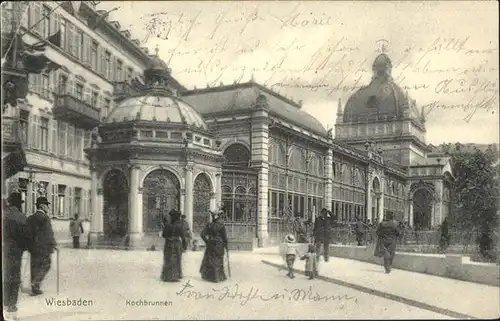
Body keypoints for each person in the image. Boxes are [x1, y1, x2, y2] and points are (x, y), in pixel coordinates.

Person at [3, 192, 31, 320]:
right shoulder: (21, 217)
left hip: (4, 248)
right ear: (19, 204)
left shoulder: (4, 215)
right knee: (14, 278)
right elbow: (26, 236)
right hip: (15, 251)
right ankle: (11, 309)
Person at [26, 196, 57, 296]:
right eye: (47, 205)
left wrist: (29, 245)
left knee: (34, 266)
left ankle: (35, 288)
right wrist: (53, 244)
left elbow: (27, 233)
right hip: (44, 247)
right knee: (46, 265)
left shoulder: (30, 218)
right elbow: (49, 233)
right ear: (42, 206)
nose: (48, 207)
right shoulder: (45, 218)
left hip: (33, 247)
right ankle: (36, 283)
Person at [200, 210, 229, 283]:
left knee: (210, 260)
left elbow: (202, 235)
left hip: (211, 243)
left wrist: (207, 242)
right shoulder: (221, 225)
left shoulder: (209, 225)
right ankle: (218, 277)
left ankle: (209, 277)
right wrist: (226, 246)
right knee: (218, 260)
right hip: (219, 244)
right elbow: (224, 237)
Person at [160, 210, 187, 282]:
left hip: (168, 244)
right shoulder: (179, 226)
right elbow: (183, 237)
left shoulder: (167, 225)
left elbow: (163, 235)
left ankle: (167, 276)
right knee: (177, 259)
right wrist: (184, 246)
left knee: (168, 259)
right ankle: (176, 275)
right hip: (177, 244)